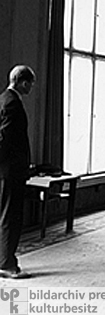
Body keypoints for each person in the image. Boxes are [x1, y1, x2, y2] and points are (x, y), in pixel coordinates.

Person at [0, 65, 35, 279]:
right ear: (23, 82)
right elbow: (5, 140)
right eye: (30, 83)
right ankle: (6, 264)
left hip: (7, 170)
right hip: (11, 171)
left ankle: (5, 260)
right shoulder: (12, 103)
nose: (31, 88)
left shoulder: (3, 99)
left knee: (6, 215)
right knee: (11, 216)